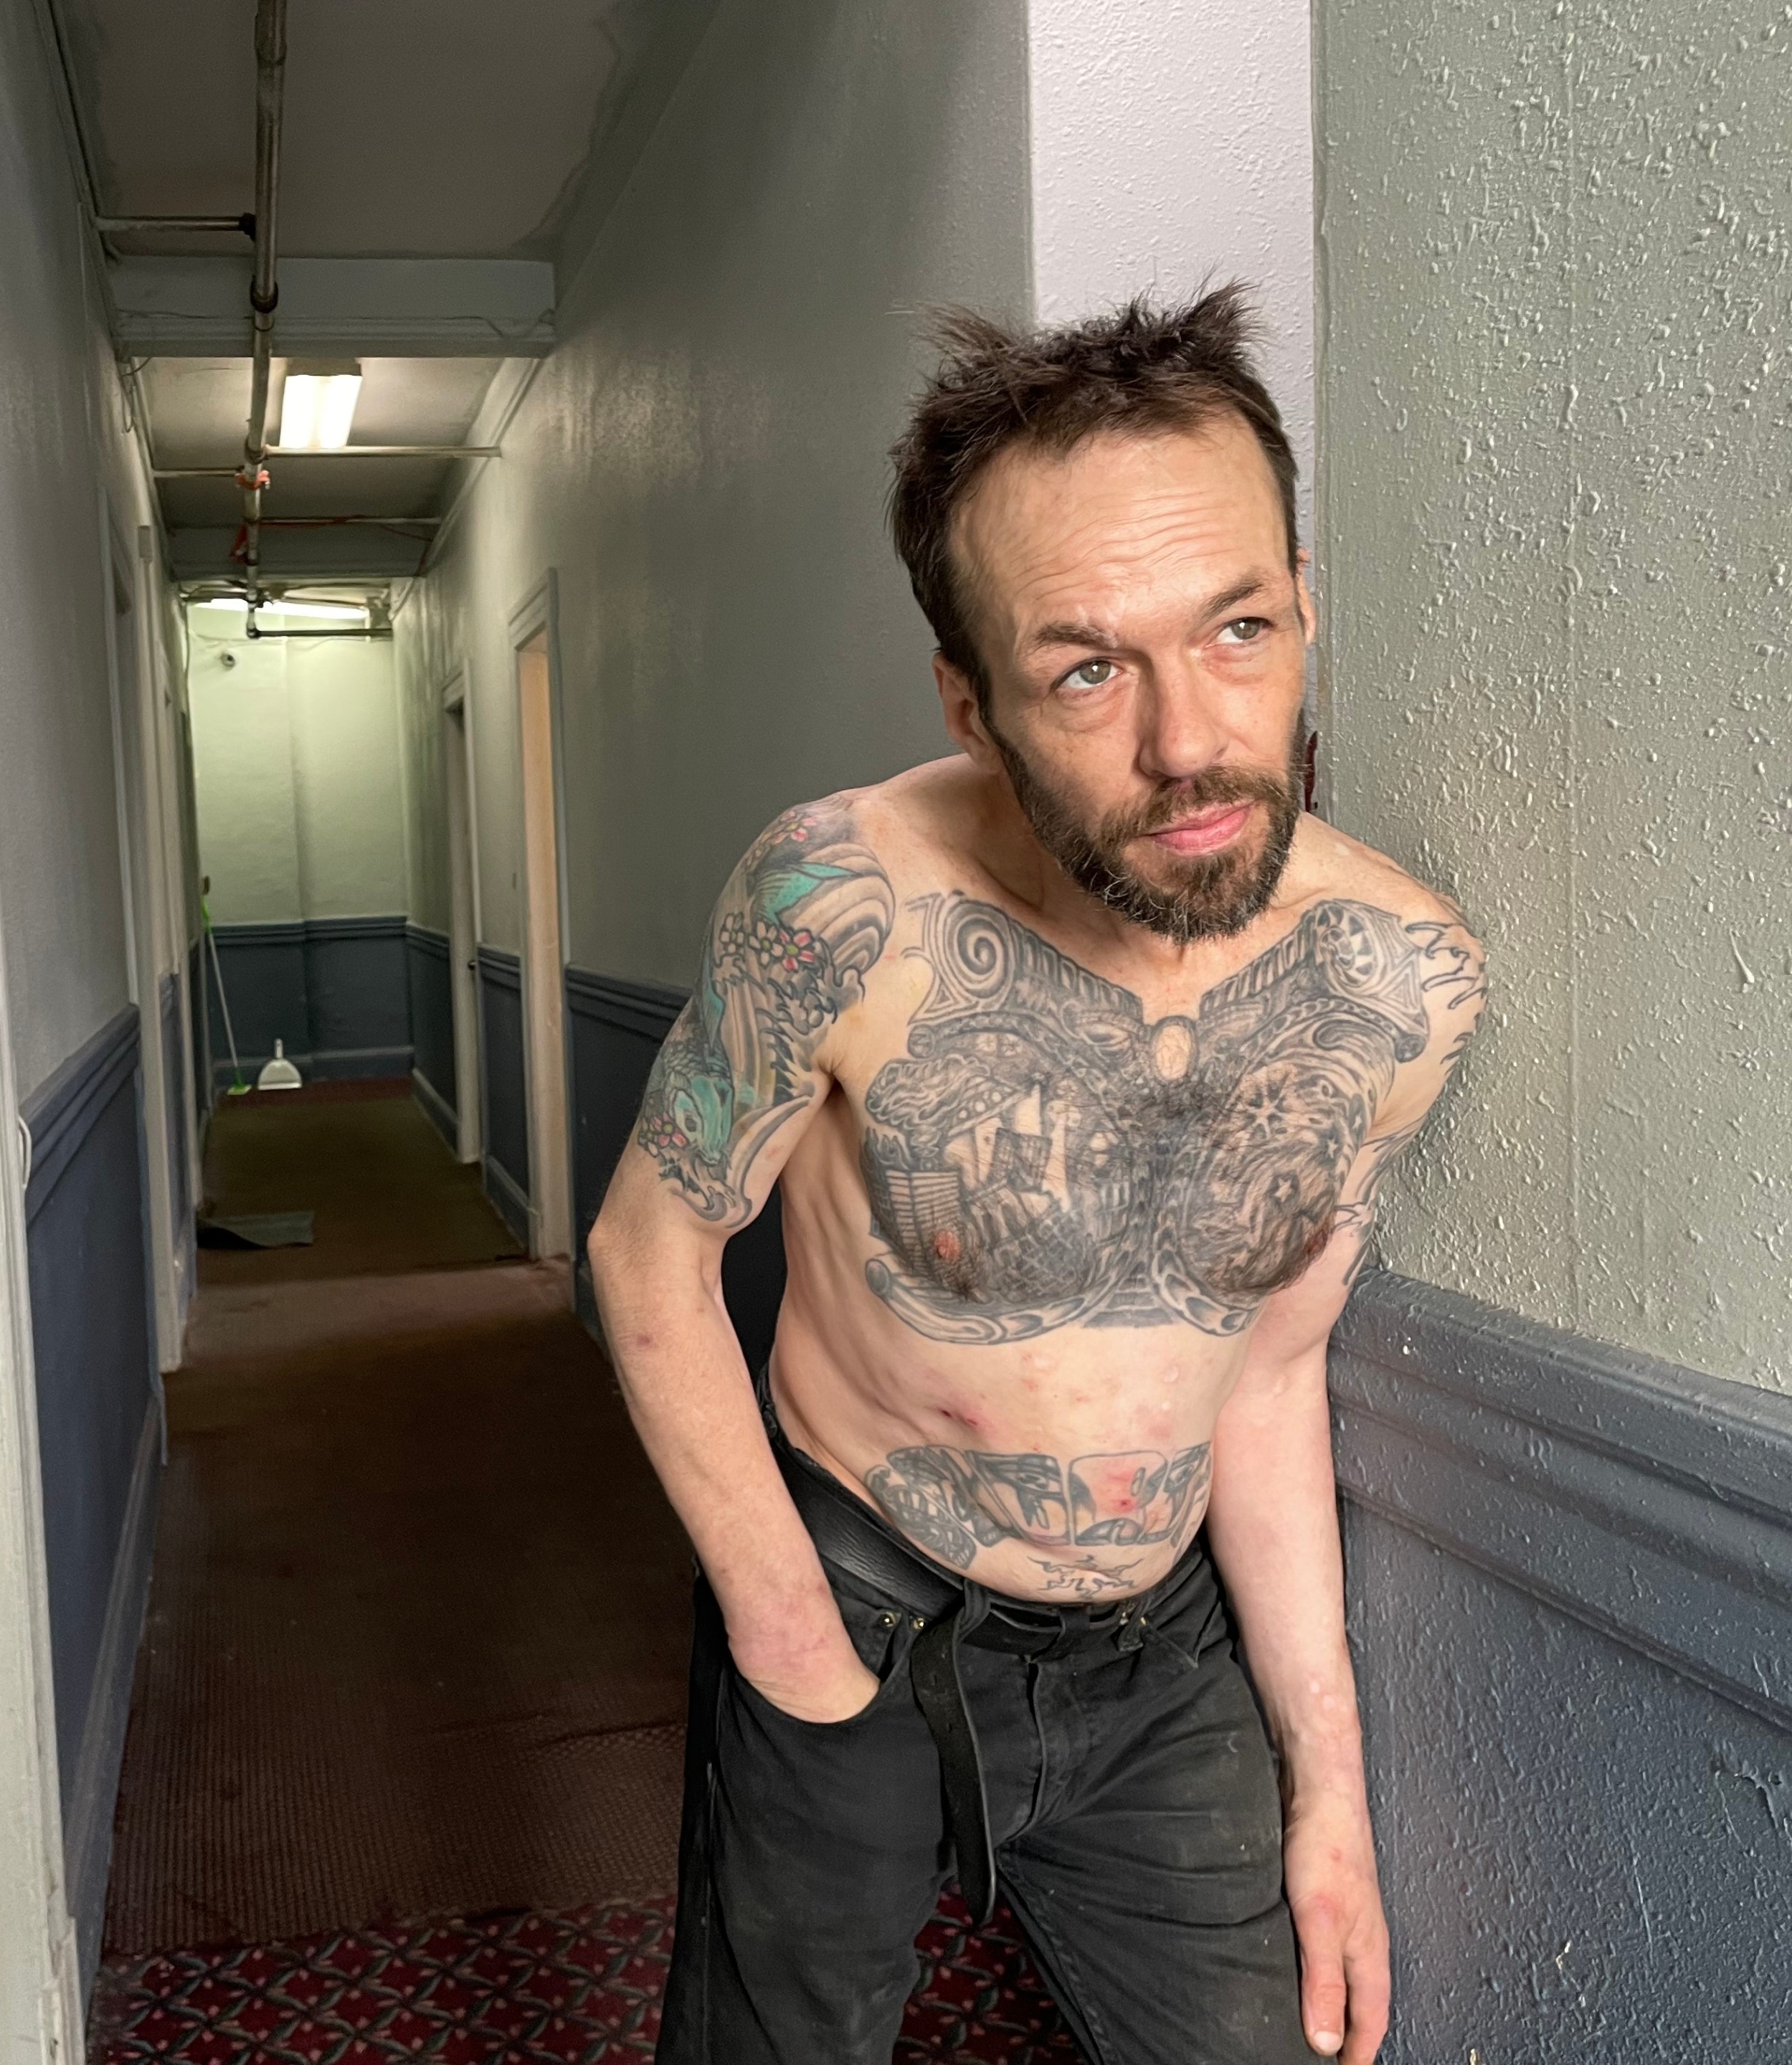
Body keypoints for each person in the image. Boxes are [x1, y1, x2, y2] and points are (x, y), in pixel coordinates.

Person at [587, 285, 1484, 2065]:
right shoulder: (839, 906)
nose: (1186, 741)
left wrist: (1332, 1797)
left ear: (1302, 605)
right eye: (1087, 667)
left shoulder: (1397, 979)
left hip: (1165, 1669)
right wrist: (791, 1654)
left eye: (1238, 630)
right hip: (855, 1594)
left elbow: (1270, 1372)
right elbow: (647, 1256)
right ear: (972, 696)